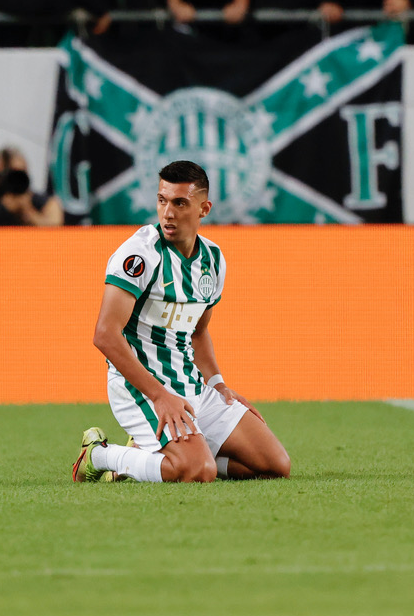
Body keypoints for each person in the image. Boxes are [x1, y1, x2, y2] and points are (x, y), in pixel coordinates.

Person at [73, 160, 291, 484]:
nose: (168, 213)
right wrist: (160, 396)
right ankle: (100, 455)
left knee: (275, 465)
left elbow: (199, 331)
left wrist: (217, 384)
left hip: (192, 387)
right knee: (198, 471)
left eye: (180, 203)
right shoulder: (139, 255)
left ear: (204, 208)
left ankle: (157, 454)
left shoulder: (213, 260)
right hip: (142, 388)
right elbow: (105, 335)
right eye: (162, 200)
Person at [0, 147, 63, 227]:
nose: (15, 180)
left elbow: (56, 231)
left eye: (19, 174)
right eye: (11, 174)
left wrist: (28, 211)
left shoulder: (44, 203)